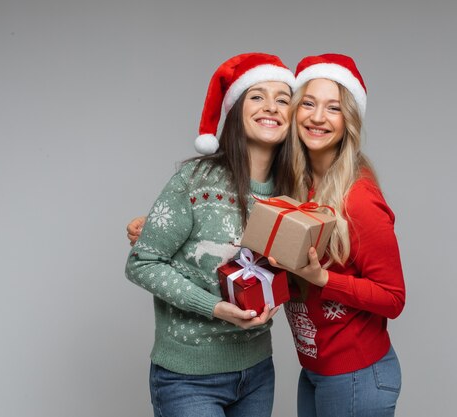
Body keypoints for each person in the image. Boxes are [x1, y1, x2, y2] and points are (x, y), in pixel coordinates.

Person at [125, 53, 295, 417]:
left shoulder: (293, 193)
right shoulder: (196, 181)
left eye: (284, 99)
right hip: (189, 376)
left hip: (258, 371)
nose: (272, 106)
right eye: (257, 96)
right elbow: (142, 263)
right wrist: (215, 308)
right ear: (235, 110)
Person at [268, 53, 406, 417]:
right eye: (308, 104)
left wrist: (323, 279)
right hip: (316, 370)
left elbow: (394, 298)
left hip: (357, 376)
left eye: (333, 108)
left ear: (349, 121)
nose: (317, 117)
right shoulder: (296, 185)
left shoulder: (358, 199)